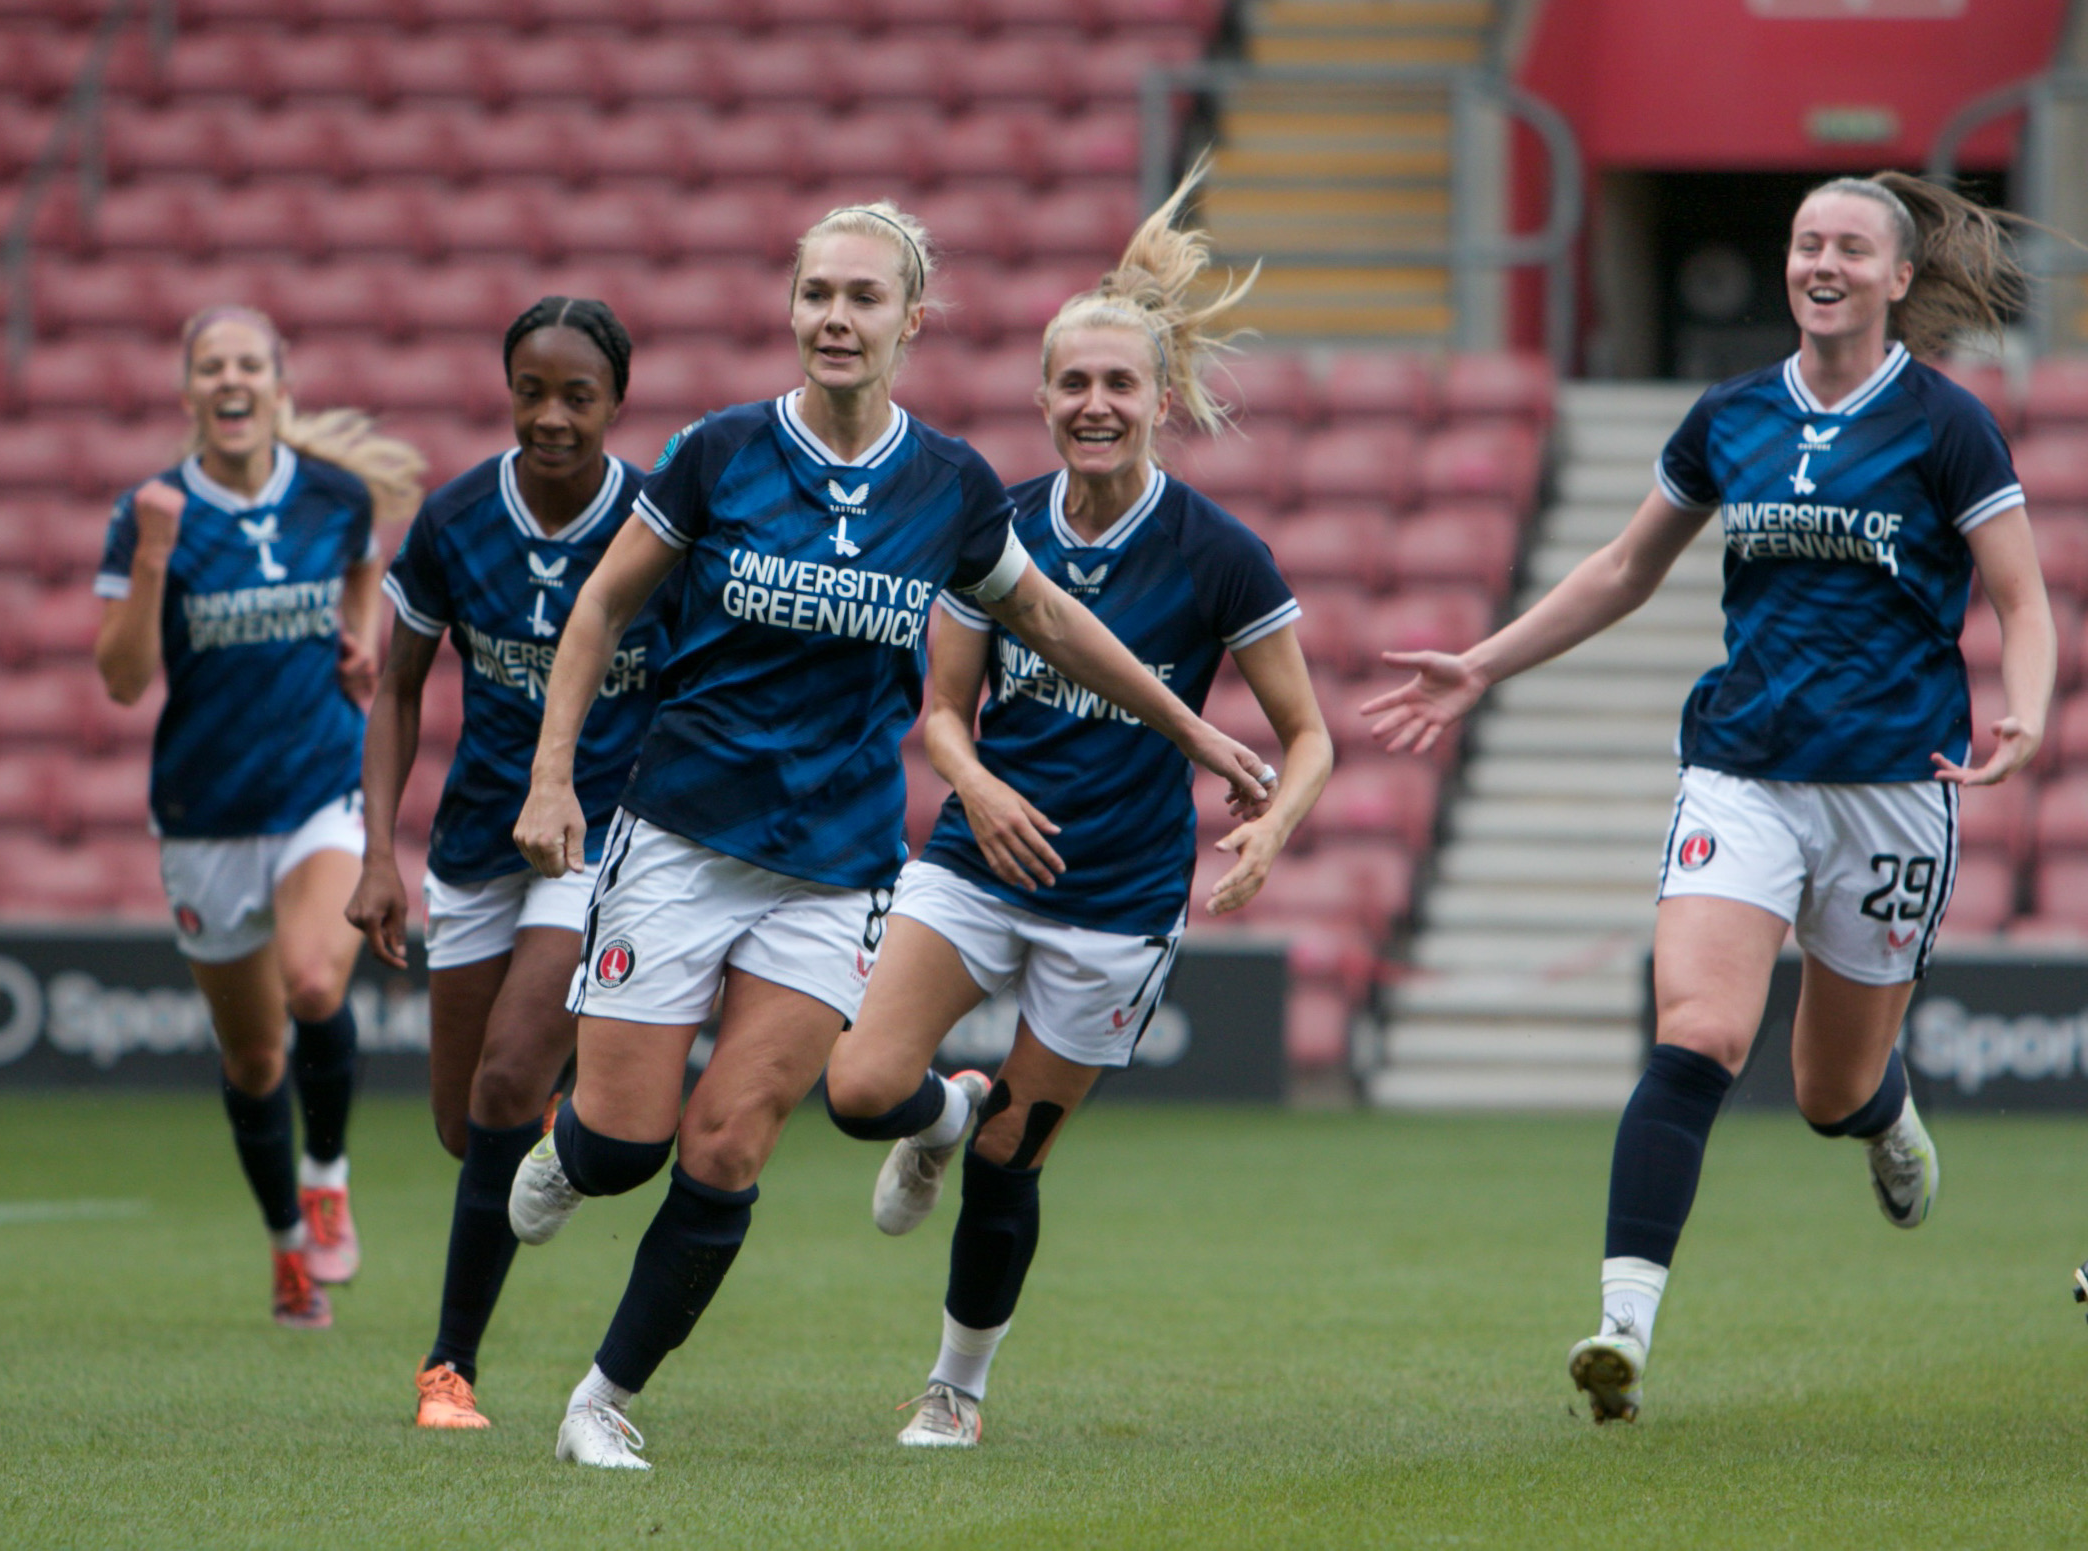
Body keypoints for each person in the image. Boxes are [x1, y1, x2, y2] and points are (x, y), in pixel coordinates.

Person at [501, 198, 1270, 1469]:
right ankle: (574, 1144)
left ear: (912, 321)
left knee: (731, 1138)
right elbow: (597, 609)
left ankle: (600, 1399)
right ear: (792, 309)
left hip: (835, 868)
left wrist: (1195, 736)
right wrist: (551, 777)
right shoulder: (721, 452)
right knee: (627, 1143)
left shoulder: (952, 488)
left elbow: (1059, 628)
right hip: (682, 837)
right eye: (817, 295)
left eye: (863, 298)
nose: (835, 319)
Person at [1363, 173, 2054, 1423]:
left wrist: (2030, 709)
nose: (1821, 262)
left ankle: (1887, 1114)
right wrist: (1483, 660)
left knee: (1825, 1092)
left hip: (1894, 791)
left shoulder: (1948, 427)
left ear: (1900, 278)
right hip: (1739, 771)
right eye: (1805, 244)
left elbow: (2022, 600)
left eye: (1850, 246)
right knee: (1696, 1035)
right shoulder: (1729, 415)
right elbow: (1627, 567)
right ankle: (1621, 1330)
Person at [821, 161, 1333, 1449]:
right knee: (860, 1086)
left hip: (1117, 902)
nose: (1094, 405)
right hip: (976, 867)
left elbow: (1306, 735)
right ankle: (941, 1116)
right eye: (1072, 385)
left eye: (1118, 385)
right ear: (1041, 398)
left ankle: (957, 1387)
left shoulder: (1218, 552)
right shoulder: (991, 525)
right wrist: (978, 784)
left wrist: (1269, 825)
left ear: (1159, 400)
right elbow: (938, 711)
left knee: (1015, 1164)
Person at [345, 297, 668, 1428]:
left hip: (603, 840)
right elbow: (393, 691)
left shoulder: (661, 527)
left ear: (616, 404)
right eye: (531, 390)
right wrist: (376, 854)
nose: (550, 416)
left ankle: (448, 1369)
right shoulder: (455, 520)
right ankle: (579, 1126)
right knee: (465, 1127)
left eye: (577, 396)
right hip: (477, 841)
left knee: (503, 1082)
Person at [93, 305, 425, 1328]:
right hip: (205, 816)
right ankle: (287, 1246)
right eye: (210, 366)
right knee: (253, 1059)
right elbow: (121, 679)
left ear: (278, 387)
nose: (230, 381)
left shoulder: (331, 495)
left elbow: (365, 566)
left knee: (317, 978)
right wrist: (152, 557)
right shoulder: (148, 513)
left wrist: (360, 641)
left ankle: (326, 1174)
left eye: (248, 364)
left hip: (317, 789)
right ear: (190, 392)